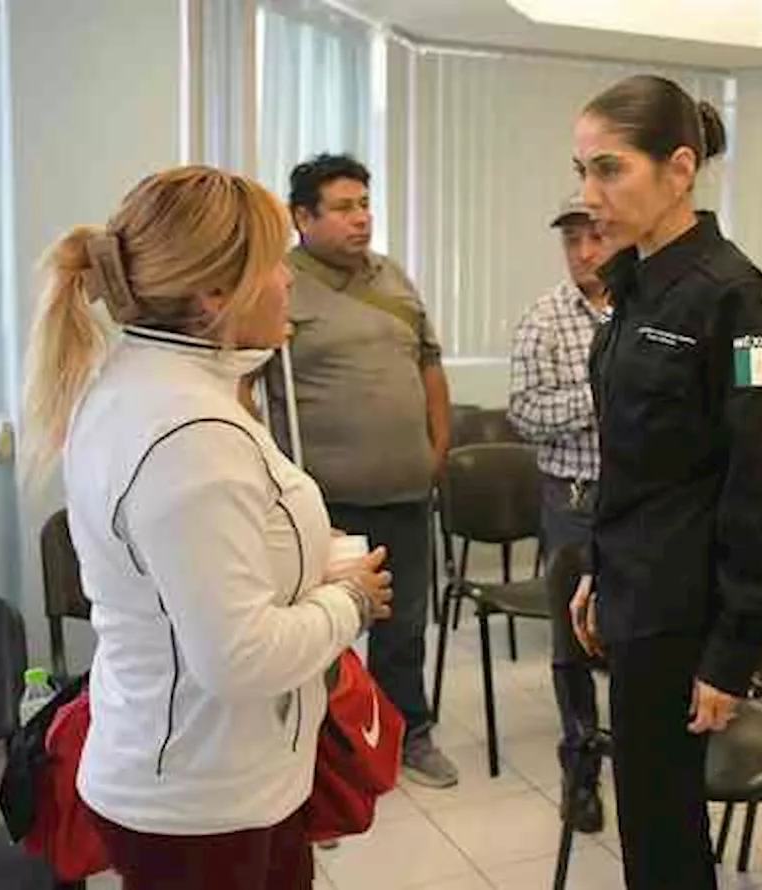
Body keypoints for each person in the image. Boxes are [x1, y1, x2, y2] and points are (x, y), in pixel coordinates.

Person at [20, 166, 393, 890]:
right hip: (201, 800)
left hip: (206, 778)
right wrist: (347, 603)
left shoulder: (152, 388)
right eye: (275, 266)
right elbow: (238, 660)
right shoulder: (187, 434)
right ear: (214, 294)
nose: (291, 283)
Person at [567, 74, 762, 889]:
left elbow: (757, 478)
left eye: (610, 170)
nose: (590, 194)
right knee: (652, 818)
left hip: (685, 605)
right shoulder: (635, 280)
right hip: (633, 584)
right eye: (583, 170)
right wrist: (597, 565)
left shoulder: (731, 295)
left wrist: (734, 652)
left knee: (665, 831)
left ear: (681, 167)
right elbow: (629, 458)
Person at [269, 153, 457, 789]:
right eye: (344, 207)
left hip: (406, 492)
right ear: (303, 217)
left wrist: (438, 447)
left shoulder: (394, 277)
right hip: (323, 502)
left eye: (364, 204)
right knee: (326, 633)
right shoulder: (280, 282)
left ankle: (409, 733)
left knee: (403, 625)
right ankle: (329, 754)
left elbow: (429, 364)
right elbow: (249, 383)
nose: (361, 218)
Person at [507, 193, 612, 833]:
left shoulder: (651, 312)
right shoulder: (544, 319)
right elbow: (524, 412)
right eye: (570, 240)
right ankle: (582, 774)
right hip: (574, 499)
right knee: (573, 645)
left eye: (593, 237)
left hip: (645, 502)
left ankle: (644, 761)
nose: (582, 252)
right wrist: (606, 394)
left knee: (638, 640)